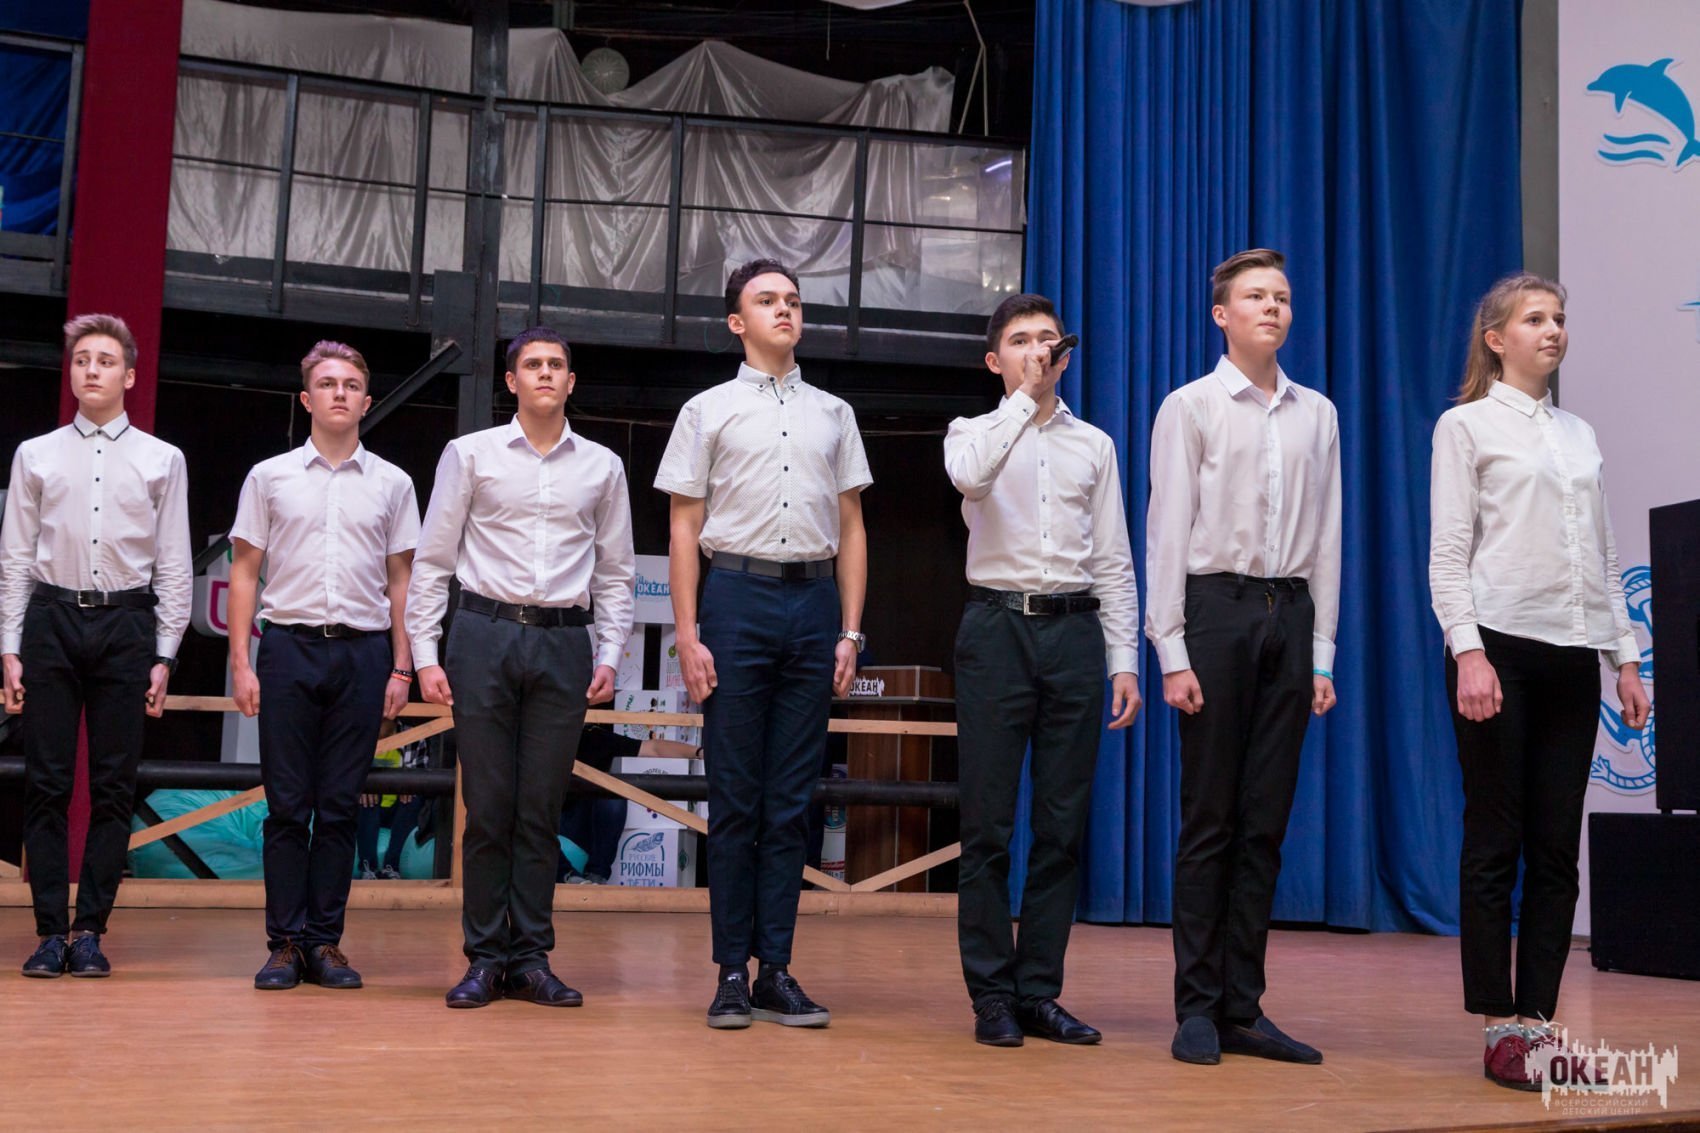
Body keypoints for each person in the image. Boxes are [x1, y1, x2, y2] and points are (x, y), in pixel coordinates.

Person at [1429, 273, 1650, 1091]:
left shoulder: (1579, 434)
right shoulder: (1465, 426)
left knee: (1557, 848)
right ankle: (1499, 1027)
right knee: (1497, 838)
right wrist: (1468, 651)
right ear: (1497, 339)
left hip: (1572, 653)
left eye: (1559, 317)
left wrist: (1625, 656)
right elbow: (1449, 550)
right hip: (1499, 648)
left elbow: (1603, 550)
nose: (1553, 329)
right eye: (1534, 318)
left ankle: (1540, 1025)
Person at [656, 257, 871, 1030]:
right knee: (736, 798)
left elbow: (852, 526)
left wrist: (850, 630)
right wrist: (688, 633)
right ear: (736, 321)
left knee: (792, 801)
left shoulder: (835, 413)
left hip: (814, 602)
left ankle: (775, 967)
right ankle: (729, 971)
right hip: (736, 598)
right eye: (768, 300)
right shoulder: (706, 409)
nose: (786, 310)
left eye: (794, 300)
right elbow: (684, 527)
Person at [1146, 249, 1341, 1066]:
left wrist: (1322, 652)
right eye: (1256, 296)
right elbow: (1166, 529)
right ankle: (1196, 1006)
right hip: (1215, 609)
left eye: (1282, 297)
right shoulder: (1190, 406)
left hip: (1289, 611)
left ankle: (1242, 1006)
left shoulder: (1317, 413)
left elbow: (1327, 534)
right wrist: (1170, 649)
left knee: (1264, 823)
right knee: (1211, 820)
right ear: (1221, 314)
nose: (1273, 307)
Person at [408, 326, 634, 1009]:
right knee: (488, 807)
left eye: (556, 364)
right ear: (511, 381)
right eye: (532, 364)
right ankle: (484, 958)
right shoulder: (469, 454)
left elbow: (616, 572)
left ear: (571, 381)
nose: (544, 373)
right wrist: (424, 654)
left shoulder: (602, 467)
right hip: (483, 634)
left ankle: (531, 957)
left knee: (540, 808)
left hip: (564, 642)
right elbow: (433, 560)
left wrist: (610, 652)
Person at [945, 293, 1141, 1048]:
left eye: (1048, 339)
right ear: (995, 360)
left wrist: (1123, 659)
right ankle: (991, 994)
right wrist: (1022, 402)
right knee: (988, 825)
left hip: (1075, 632)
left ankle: (1038, 992)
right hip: (996, 628)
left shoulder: (1094, 444)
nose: (1038, 350)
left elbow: (1114, 558)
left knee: (1061, 827)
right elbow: (970, 478)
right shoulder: (972, 431)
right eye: (1021, 340)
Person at [227, 340, 421, 991]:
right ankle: (284, 942)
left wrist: (402, 666)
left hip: (364, 653)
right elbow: (245, 571)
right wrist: (240, 661)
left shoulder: (394, 483)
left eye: (351, 385)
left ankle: (325, 942)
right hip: (287, 646)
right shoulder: (269, 476)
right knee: (287, 806)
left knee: (340, 805)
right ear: (307, 399)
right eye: (328, 383)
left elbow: (403, 581)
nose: (340, 393)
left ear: (366, 401)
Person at [2, 313, 191, 978]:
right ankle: (49, 931)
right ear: (71, 371)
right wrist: (9, 646)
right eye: (82, 359)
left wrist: (165, 654)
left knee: (113, 786)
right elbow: (15, 557)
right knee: (47, 784)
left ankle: (90, 931)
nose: (91, 370)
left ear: (129, 375)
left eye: (105, 360)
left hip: (126, 625)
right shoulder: (36, 454)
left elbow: (173, 563)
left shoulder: (163, 459)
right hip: (51, 618)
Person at [356, 719, 427, 880]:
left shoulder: (413, 735)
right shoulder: (358, 733)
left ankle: (392, 867)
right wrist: (363, 787)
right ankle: (368, 868)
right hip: (369, 808)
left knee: (413, 797)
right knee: (365, 795)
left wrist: (409, 786)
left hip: (399, 808)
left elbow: (422, 777)